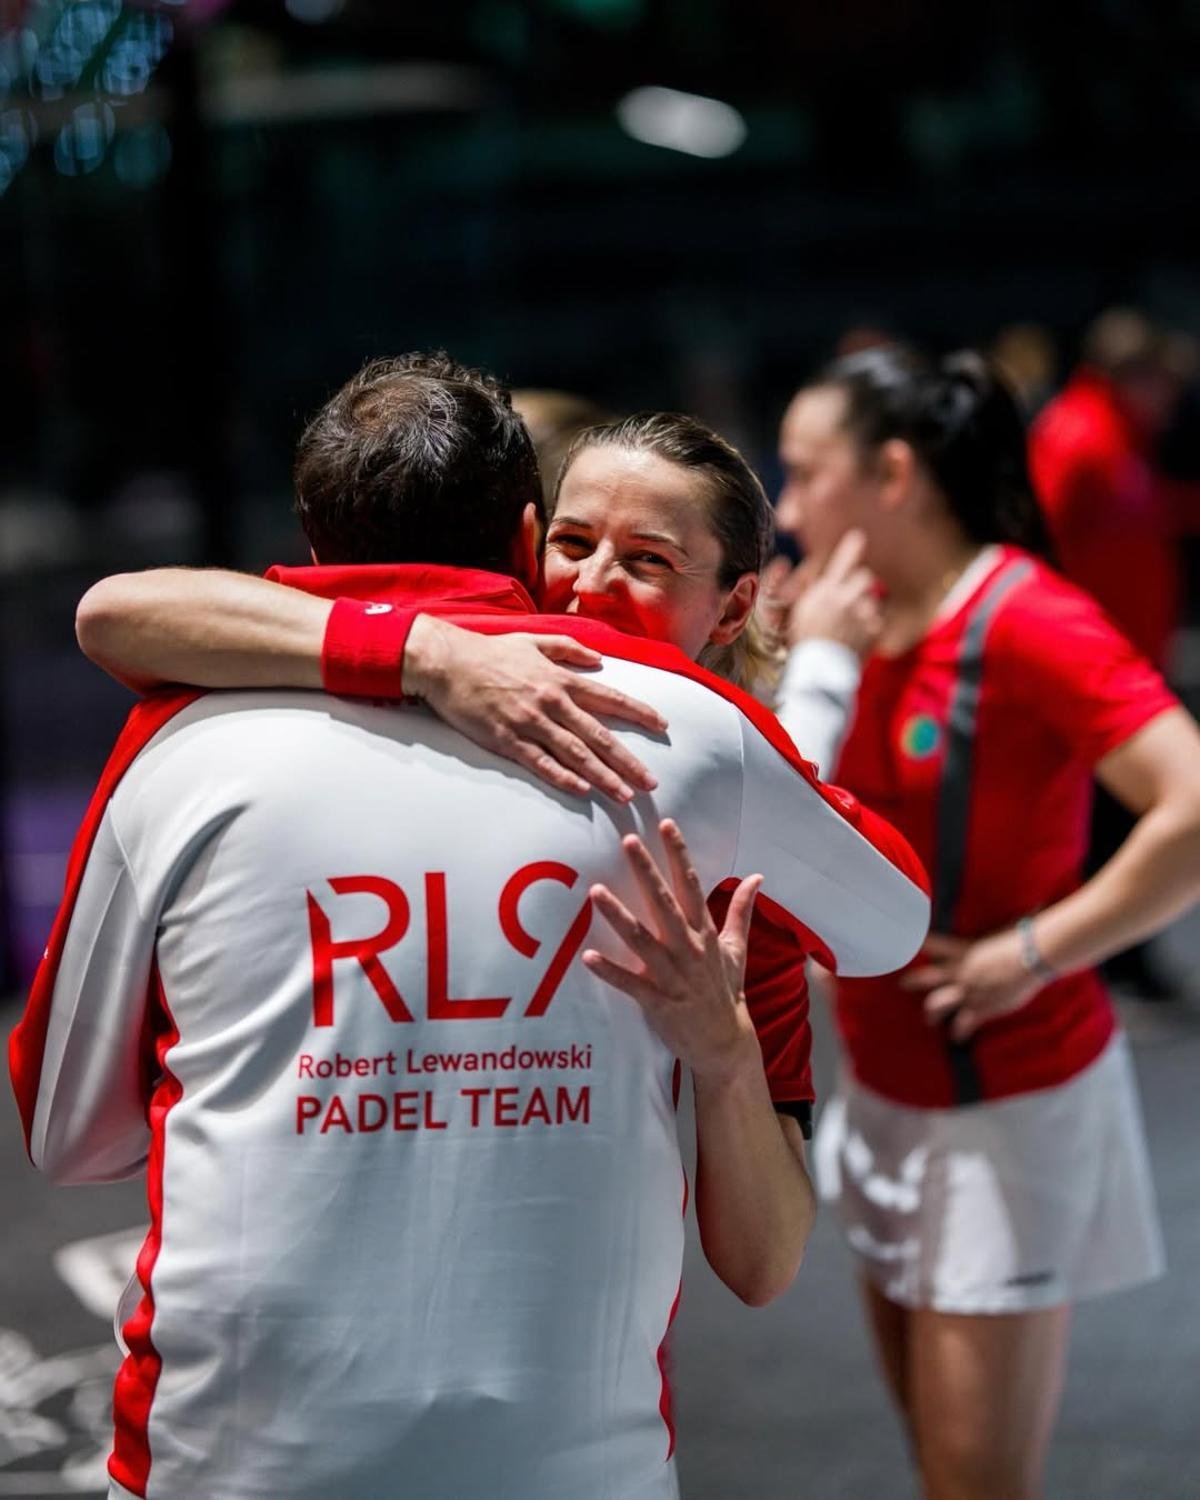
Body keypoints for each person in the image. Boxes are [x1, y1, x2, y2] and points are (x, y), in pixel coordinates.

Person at [14, 354, 930, 1500]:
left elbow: (71, 1138)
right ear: (526, 538)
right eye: (577, 544)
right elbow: (891, 922)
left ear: (306, 537)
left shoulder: (187, 738)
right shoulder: (696, 735)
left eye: (649, 559)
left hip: (224, 1458)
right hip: (573, 1465)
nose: (595, 585)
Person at [773, 345, 1200, 1500]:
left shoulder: (1022, 616)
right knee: (942, 1470)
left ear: (893, 475)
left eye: (806, 473)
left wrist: (1035, 950)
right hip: (882, 1093)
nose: (787, 508)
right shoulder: (840, 625)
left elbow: (1192, 803)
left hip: (1006, 1108)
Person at [1029, 308, 1188, 998]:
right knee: (1111, 820)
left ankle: (1120, 956)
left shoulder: (1119, 438)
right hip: (1093, 668)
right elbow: (1039, 541)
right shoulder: (1077, 436)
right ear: (1131, 374)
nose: (1171, 400)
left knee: (1121, 818)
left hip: (1130, 658)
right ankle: (1107, 958)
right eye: (1162, 383)